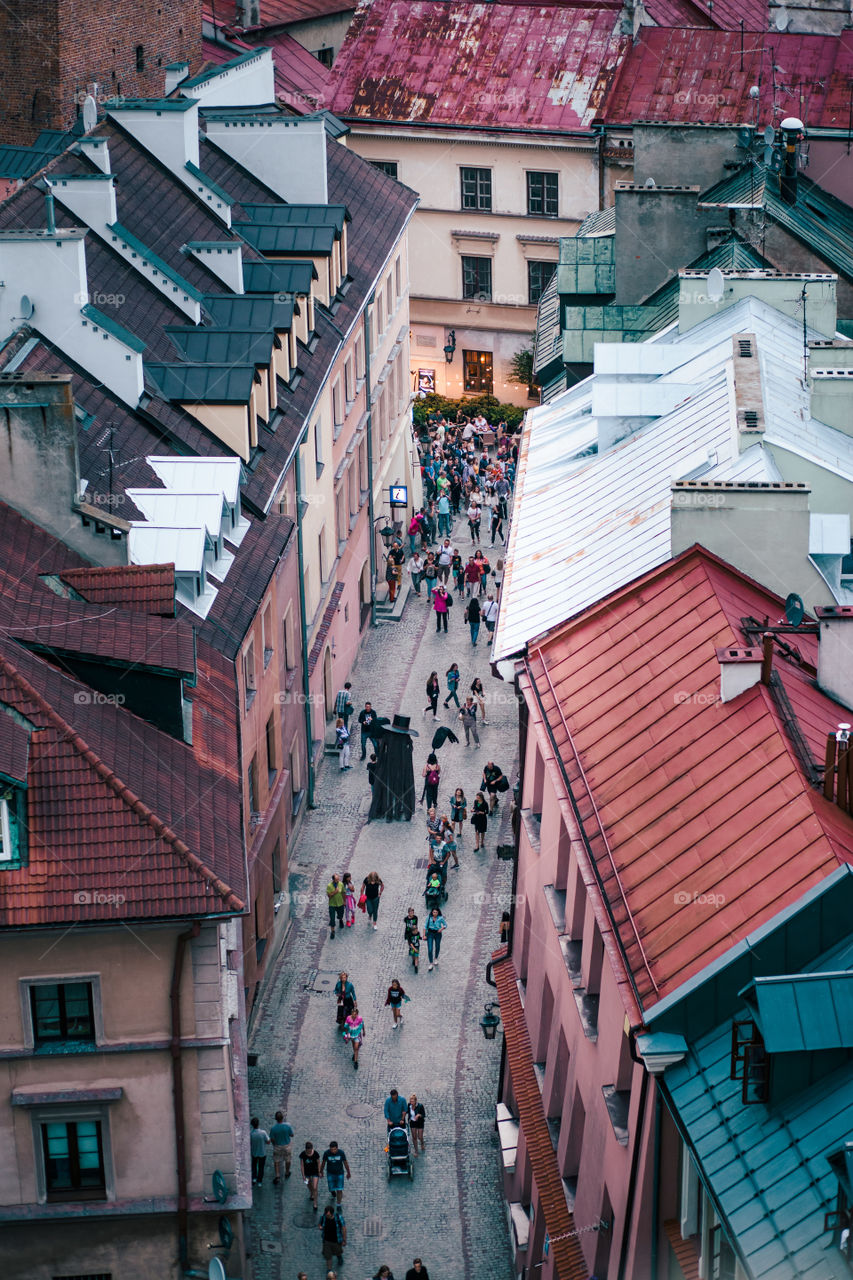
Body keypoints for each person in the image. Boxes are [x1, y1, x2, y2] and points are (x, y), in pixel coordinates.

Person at [270, 1111, 294, 1184]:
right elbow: (292, 1135)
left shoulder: (273, 1128)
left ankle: (277, 1175)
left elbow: (272, 1139)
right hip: (287, 1146)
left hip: (278, 1146)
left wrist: (274, 1144)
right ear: (282, 1118)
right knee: (288, 1159)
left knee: (276, 1161)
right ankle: (287, 1172)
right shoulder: (288, 1126)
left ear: (276, 1119)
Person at [299, 1140, 320, 1210]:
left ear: (312, 1149)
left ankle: (315, 1203)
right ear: (306, 1150)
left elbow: (318, 1163)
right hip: (306, 1173)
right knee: (307, 1183)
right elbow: (302, 1165)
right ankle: (312, 1193)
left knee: (315, 1187)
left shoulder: (316, 1154)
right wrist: (303, 1175)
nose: (309, 1152)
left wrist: (319, 1172)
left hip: (315, 1172)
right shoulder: (302, 1154)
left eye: (310, 1151)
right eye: (308, 1151)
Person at [343, 1004, 365, 1069]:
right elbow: (346, 1026)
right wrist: (346, 1034)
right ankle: (355, 1054)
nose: (354, 1015)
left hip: (357, 1034)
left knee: (356, 1047)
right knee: (354, 1046)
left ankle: (356, 1061)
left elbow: (362, 1025)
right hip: (351, 1035)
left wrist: (364, 1031)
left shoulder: (360, 1019)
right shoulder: (348, 1019)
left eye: (355, 1014)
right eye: (353, 1014)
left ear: (357, 1014)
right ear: (351, 1014)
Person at [250, 1116, 270, 1185]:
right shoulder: (263, 1133)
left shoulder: (251, 1134)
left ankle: (254, 1178)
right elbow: (268, 1142)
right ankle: (259, 1181)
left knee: (254, 1166)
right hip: (262, 1153)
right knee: (261, 1167)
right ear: (258, 1124)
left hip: (254, 1153)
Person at [326, 874, 345, 938]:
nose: (338, 880)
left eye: (338, 879)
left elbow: (343, 892)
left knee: (340, 914)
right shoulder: (329, 886)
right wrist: (335, 892)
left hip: (340, 903)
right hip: (332, 904)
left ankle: (340, 919)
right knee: (332, 918)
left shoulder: (341, 884)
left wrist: (344, 901)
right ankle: (332, 931)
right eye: (336, 879)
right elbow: (329, 896)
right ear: (333, 880)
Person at [403, 907, 420, 973]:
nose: (411, 913)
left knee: (413, 942)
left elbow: (416, 924)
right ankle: (411, 949)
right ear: (408, 913)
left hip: (413, 932)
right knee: (409, 942)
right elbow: (405, 922)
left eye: (412, 912)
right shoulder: (406, 918)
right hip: (408, 932)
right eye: (410, 912)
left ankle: (415, 962)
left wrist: (415, 930)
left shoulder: (415, 918)